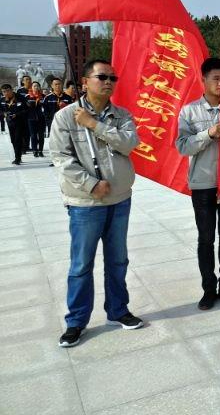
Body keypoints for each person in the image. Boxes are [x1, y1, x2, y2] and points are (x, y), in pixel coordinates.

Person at [50, 59, 142, 347]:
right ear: (85, 81)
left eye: (113, 78)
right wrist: (91, 184)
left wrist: (94, 125)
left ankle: (118, 310)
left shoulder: (121, 115)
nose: (108, 82)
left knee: (118, 260)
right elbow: (61, 159)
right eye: (102, 77)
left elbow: (129, 144)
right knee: (81, 264)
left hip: (119, 200)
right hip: (85, 205)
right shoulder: (65, 117)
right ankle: (76, 321)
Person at [176, 57, 220, 311]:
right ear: (203, 80)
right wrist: (208, 134)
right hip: (203, 184)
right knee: (206, 239)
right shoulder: (189, 112)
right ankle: (208, 288)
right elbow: (183, 146)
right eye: (216, 78)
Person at [1, 84, 27, 165]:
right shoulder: (2, 100)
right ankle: (18, 155)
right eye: (4, 92)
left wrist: (17, 114)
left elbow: (26, 110)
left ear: (12, 90)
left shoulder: (20, 98)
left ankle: (17, 158)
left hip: (20, 122)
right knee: (13, 140)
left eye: (8, 91)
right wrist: (4, 113)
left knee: (18, 139)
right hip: (10, 122)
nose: (6, 93)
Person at [25, 81, 47, 157]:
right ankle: (35, 150)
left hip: (41, 118)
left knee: (41, 135)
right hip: (31, 118)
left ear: (39, 87)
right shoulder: (27, 96)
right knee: (33, 135)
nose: (36, 87)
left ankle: (40, 151)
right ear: (31, 87)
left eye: (37, 86)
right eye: (34, 86)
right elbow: (25, 107)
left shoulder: (43, 96)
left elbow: (46, 107)